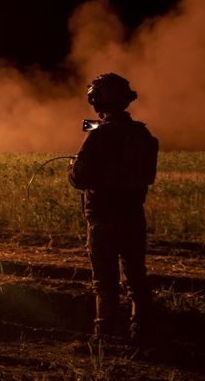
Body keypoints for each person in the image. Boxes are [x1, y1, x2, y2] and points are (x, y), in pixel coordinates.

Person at [68, 73, 159, 342]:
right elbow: (146, 175)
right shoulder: (142, 133)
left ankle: (104, 334)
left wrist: (72, 167)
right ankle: (141, 331)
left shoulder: (99, 135)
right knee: (135, 275)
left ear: (97, 100)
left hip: (103, 218)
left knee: (105, 281)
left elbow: (80, 178)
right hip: (133, 214)